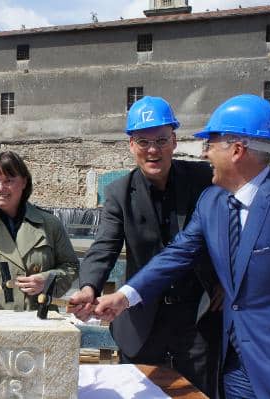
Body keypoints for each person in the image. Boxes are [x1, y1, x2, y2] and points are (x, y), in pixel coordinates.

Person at [92, 94, 270, 399]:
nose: (205, 154)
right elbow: (176, 255)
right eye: (143, 141)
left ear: (236, 150)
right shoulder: (213, 202)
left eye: (211, 144)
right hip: (231, 366)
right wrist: (123, 297)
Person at [70, 96, 221, 397]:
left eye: (161, 140)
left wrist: (226, 283)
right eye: (143, 141)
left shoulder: (204, 179)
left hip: (198, 320)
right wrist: (88, 287)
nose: (153, 150)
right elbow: (104, 247)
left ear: (175, 141)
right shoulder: (119, 194)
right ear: (131, 146)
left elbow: (233, 232)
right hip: (143, 323)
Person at [0, 151, 78, 310]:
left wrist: (47, 280)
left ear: (24, 182)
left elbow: (70, 266)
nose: (0, 188)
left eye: (8, 181)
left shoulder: (50, 224)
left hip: (38, 320)